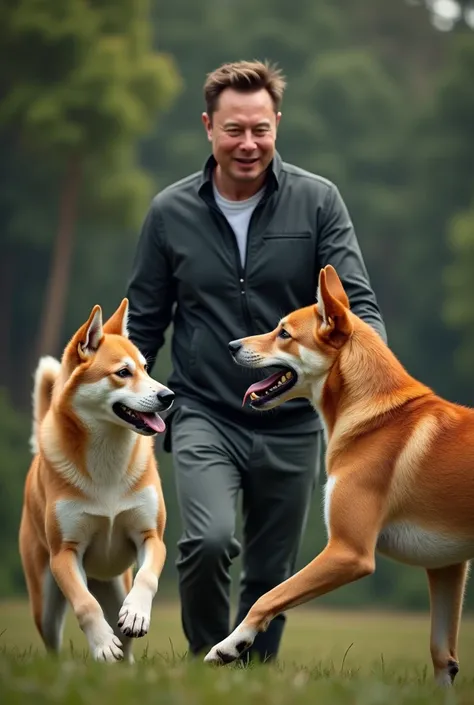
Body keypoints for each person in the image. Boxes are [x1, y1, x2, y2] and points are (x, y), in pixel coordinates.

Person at [126, 60, 387, 662]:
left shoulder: (319, 202)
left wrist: (370, 382)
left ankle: (255, 677)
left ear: (277, 126)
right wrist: (130, 406)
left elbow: (358, 306)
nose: (248, 144)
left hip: (295, 418)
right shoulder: (169, 213)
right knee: (209, 539)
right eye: (234, 129)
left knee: (273, 570)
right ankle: (205, 664)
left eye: (261, 129)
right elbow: (143, 321)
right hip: (205, 410)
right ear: (208, 128)